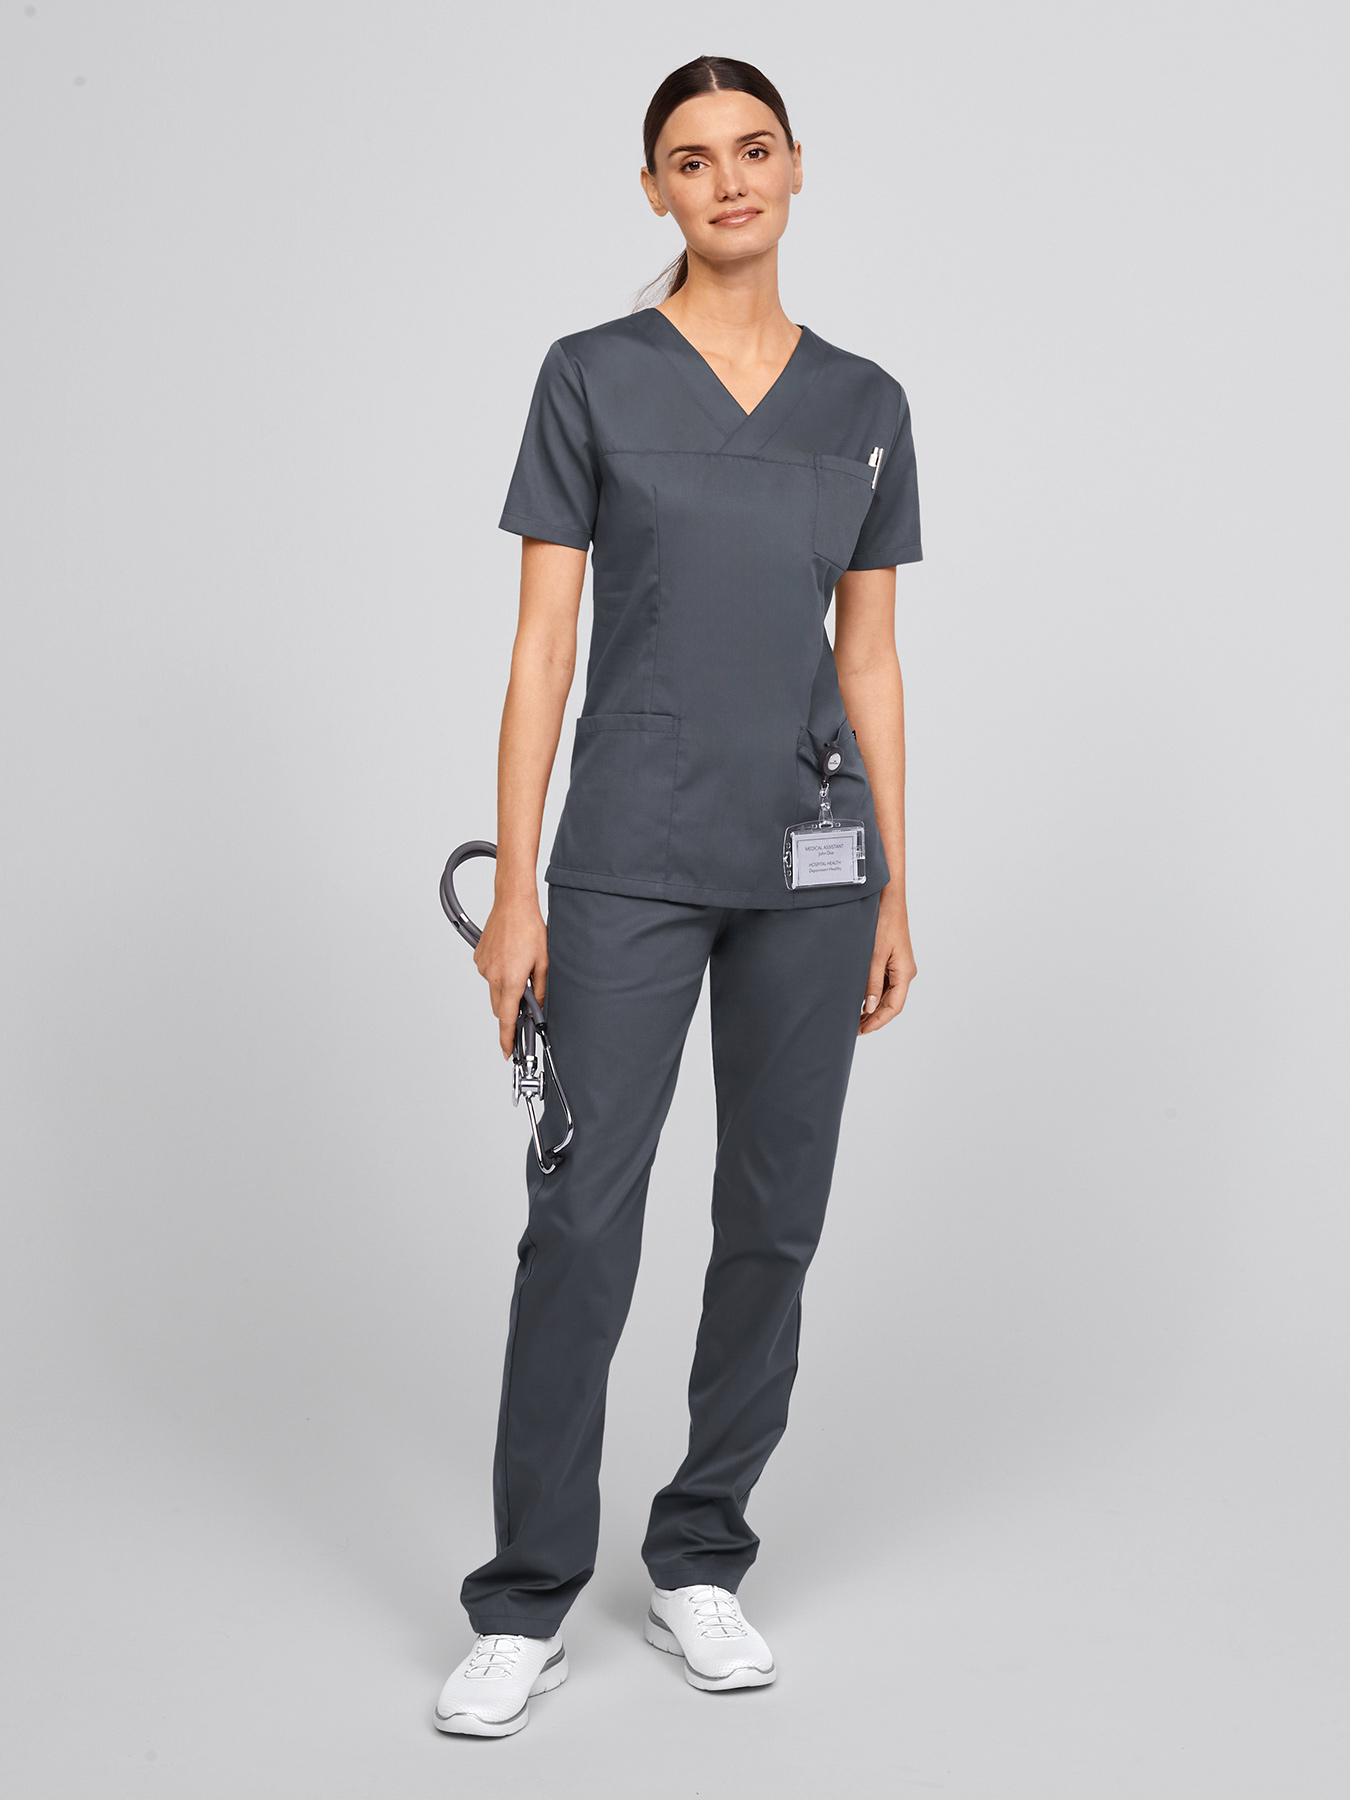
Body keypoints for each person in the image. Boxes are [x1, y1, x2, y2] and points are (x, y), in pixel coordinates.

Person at [434, 53, 922, 1738]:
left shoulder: (863, 402)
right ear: (653, 189)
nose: (728, 180)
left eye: (753, 148)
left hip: (809, 864)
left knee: (773, 1220)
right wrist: (515, 893)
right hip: (628, 858)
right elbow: (541, 650)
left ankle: (701, 1554)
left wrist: (893, 885)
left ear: (795, 168)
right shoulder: (589, 376)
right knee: (580, 1216)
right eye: (691, 158)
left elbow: (869, 657)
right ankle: (524, 1598)